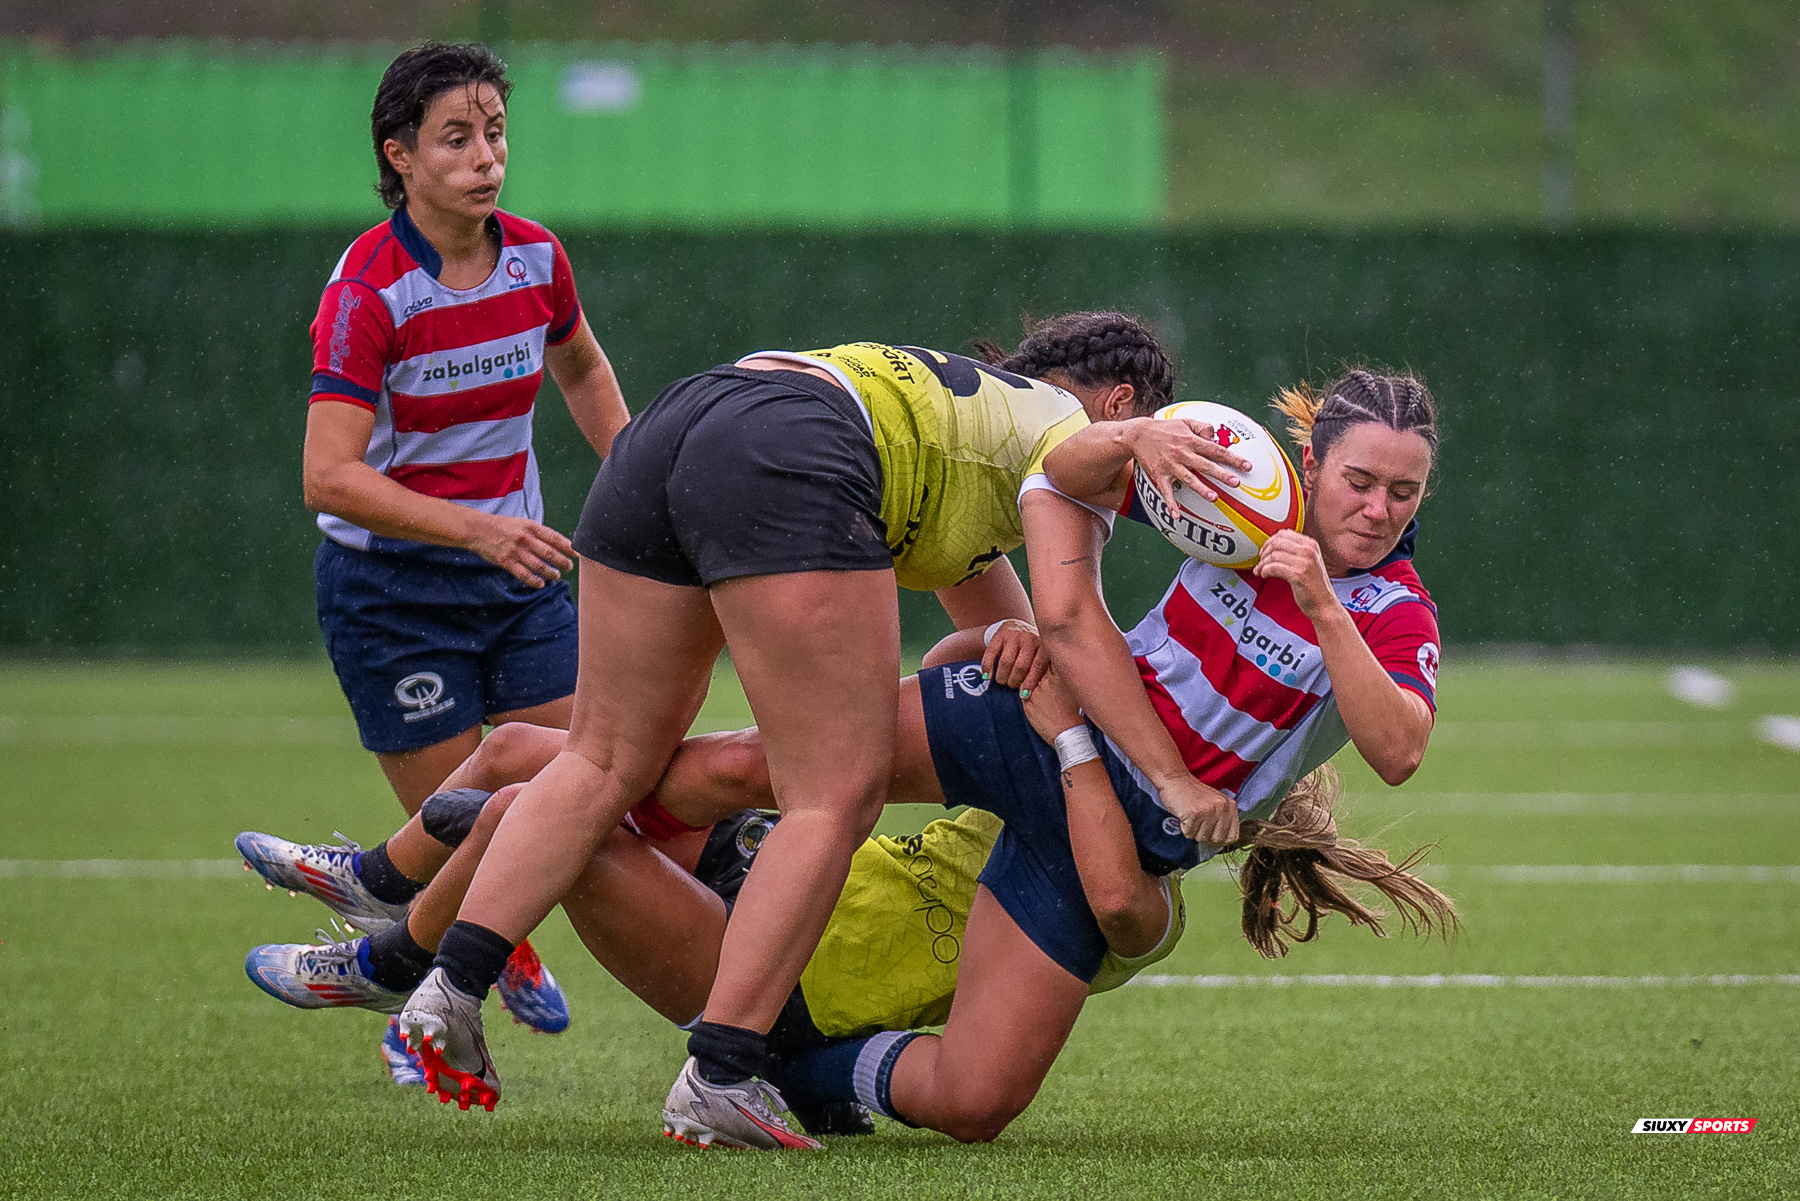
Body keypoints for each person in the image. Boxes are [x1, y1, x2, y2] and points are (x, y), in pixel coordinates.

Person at [396, 316, 1254, 1147]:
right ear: (1121, 404)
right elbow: (1069, 585)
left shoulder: (979, 455)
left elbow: (1007, 642)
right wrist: (1134, 444)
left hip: (685, 417)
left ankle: (448, 982)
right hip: (794, 444)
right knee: (834, 792)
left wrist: (1031, 660)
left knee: (604, 757)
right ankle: (722, 1073)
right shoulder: (1068, 438)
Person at [617, 367, 1454, 1141]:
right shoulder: (1249, 495)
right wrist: (1133, 438)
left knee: (975, 1100)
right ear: (1312, 461)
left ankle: (797, 1067)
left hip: (1120, 829)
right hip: (1048, 712)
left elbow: (1397, 750)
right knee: (754, 768)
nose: (1379, 510)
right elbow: (1060, 475)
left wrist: (1322, 603)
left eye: (1405, 493)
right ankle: (574, 807)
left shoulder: (1396, 608)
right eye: (1360, 481)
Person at [240, 664, 1447, 1141]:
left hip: (763, 969)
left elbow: (1117, 886)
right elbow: (929, 715)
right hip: (774, 860)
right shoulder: (1053, 768)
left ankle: (398, 954)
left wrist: (1080, 734)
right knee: (518, 754)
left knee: (531, 814)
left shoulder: (1130, 897)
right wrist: (1027, 661)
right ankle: (385, 899)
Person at [290, 40, 630, 1058]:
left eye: (495, 131)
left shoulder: (537, 257)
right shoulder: (369, 293)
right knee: (468, 832)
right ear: (398, 156)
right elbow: (328, 477)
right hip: (390, 595)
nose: (486, 156)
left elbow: (581, 370)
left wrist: (649, 481)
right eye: (456, 137)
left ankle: (421, 943)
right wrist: (484, 527)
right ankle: (435, 994)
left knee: (593, 786)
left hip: (518, 582)